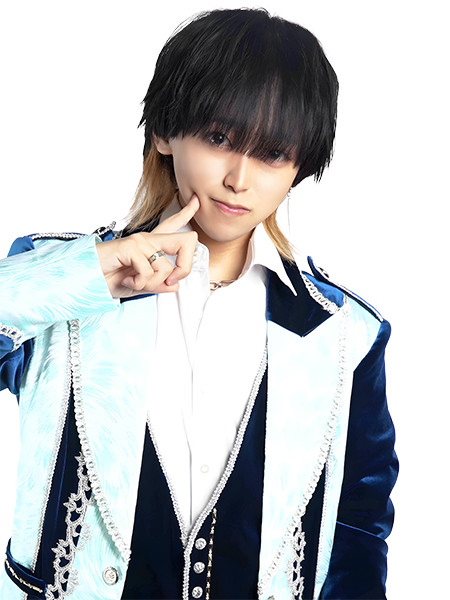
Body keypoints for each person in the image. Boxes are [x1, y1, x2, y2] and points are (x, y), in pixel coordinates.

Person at [0, 8, 398, 600]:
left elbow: (358, 523)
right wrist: (94, 272)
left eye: (273, 153)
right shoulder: (60, 281)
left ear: (300, 167)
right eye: (218, 139)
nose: (239, 178)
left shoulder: (343, 332)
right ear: (165, 132)